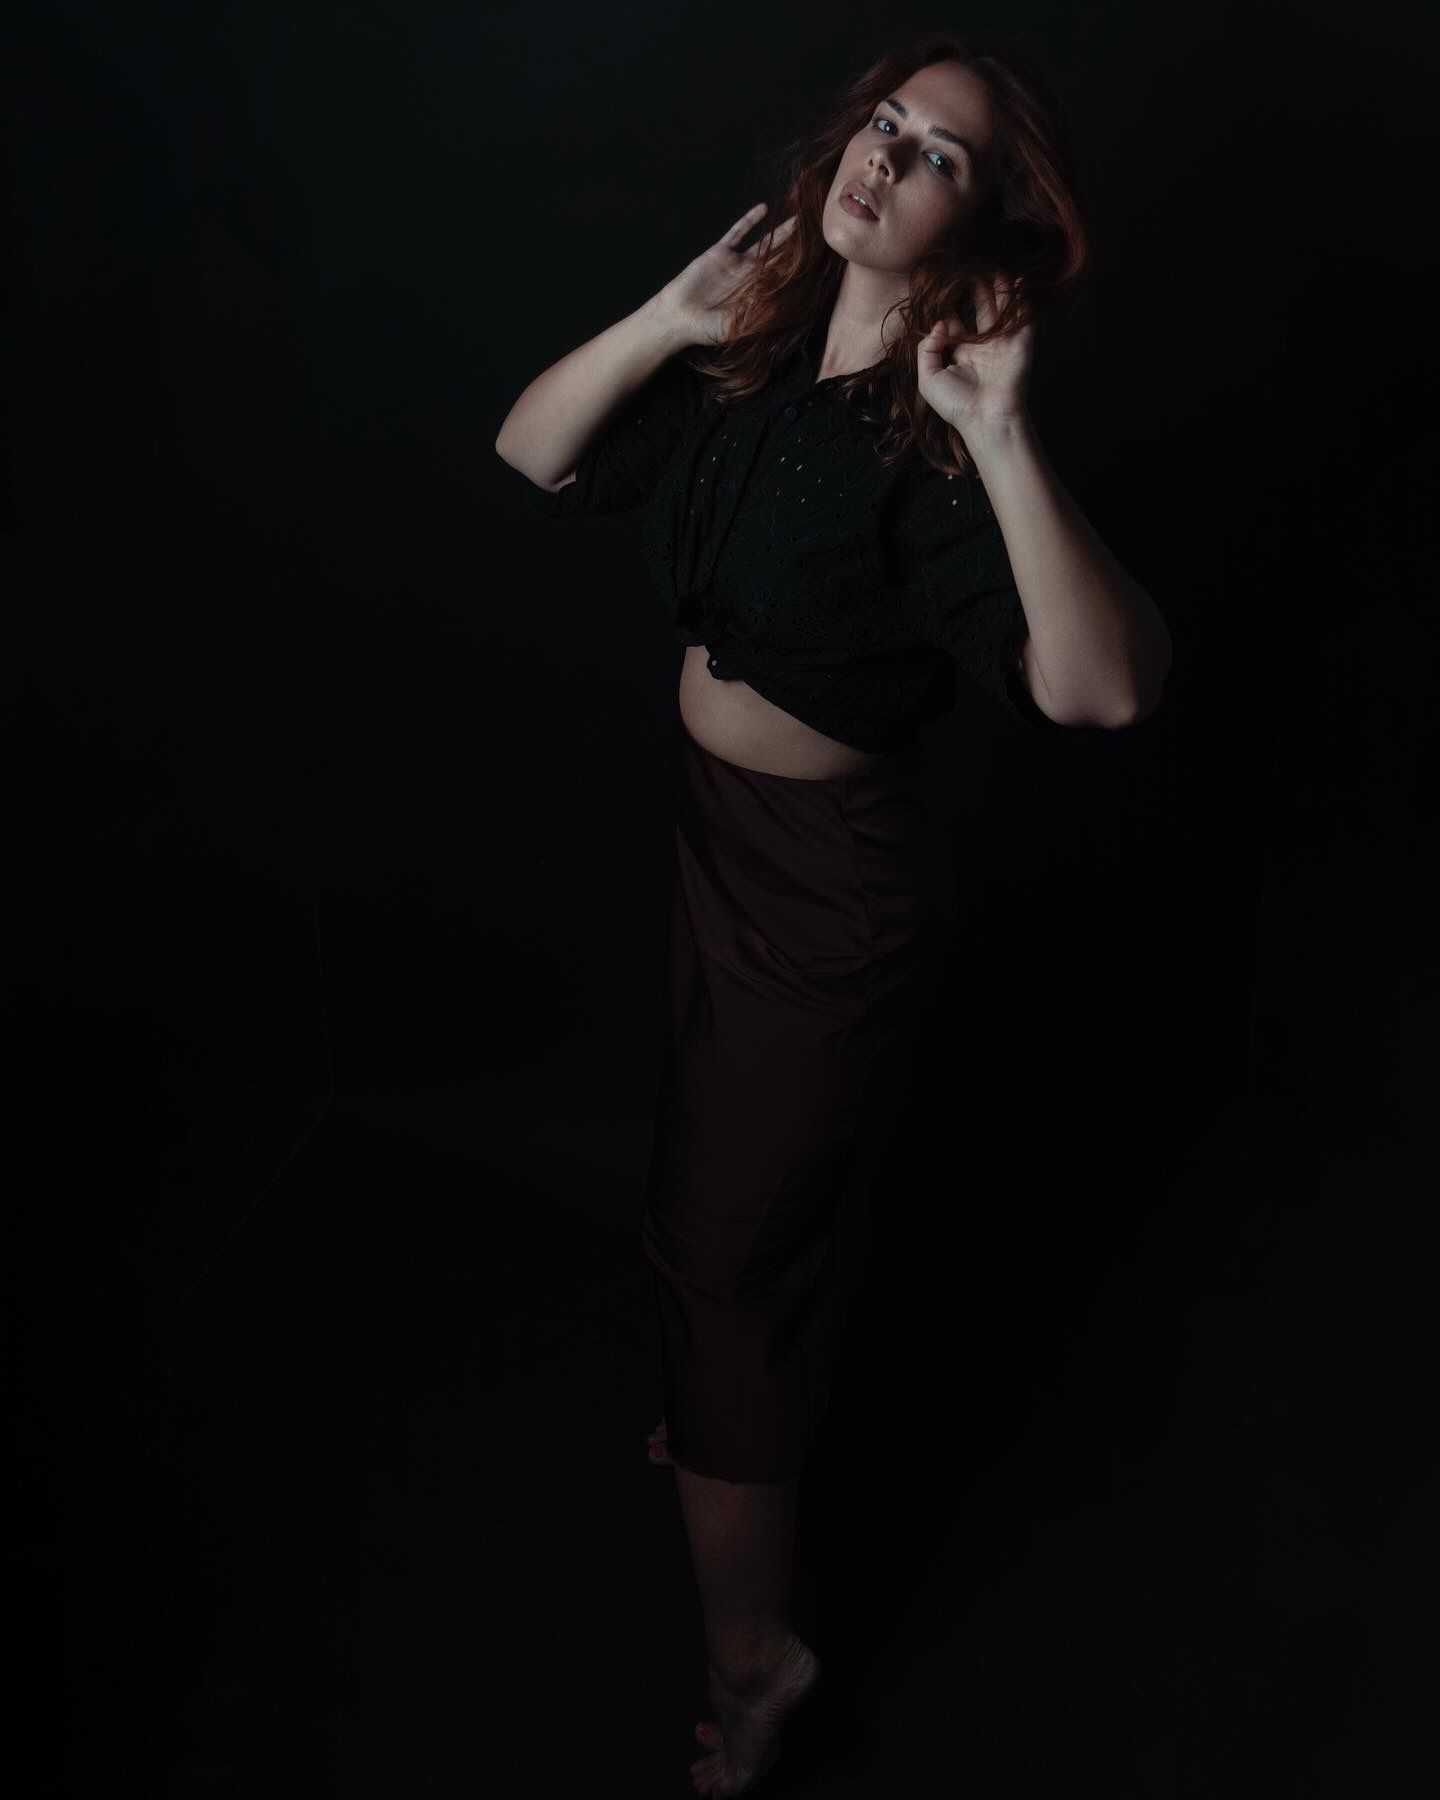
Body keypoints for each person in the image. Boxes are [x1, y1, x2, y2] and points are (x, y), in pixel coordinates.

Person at [495, 36, 1171, 1797]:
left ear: (982, 222)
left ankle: (756, 1663)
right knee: (733, 1191)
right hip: (718, 838)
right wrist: (669, 318)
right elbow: (533, 449)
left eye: (936, 154)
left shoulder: (933, 453)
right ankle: (740, 1401)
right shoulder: (757, 361)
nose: (884, 156)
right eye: (883, 124)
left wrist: (1002, 431)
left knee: (722, 1251)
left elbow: (1106, 688)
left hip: (824, 895)